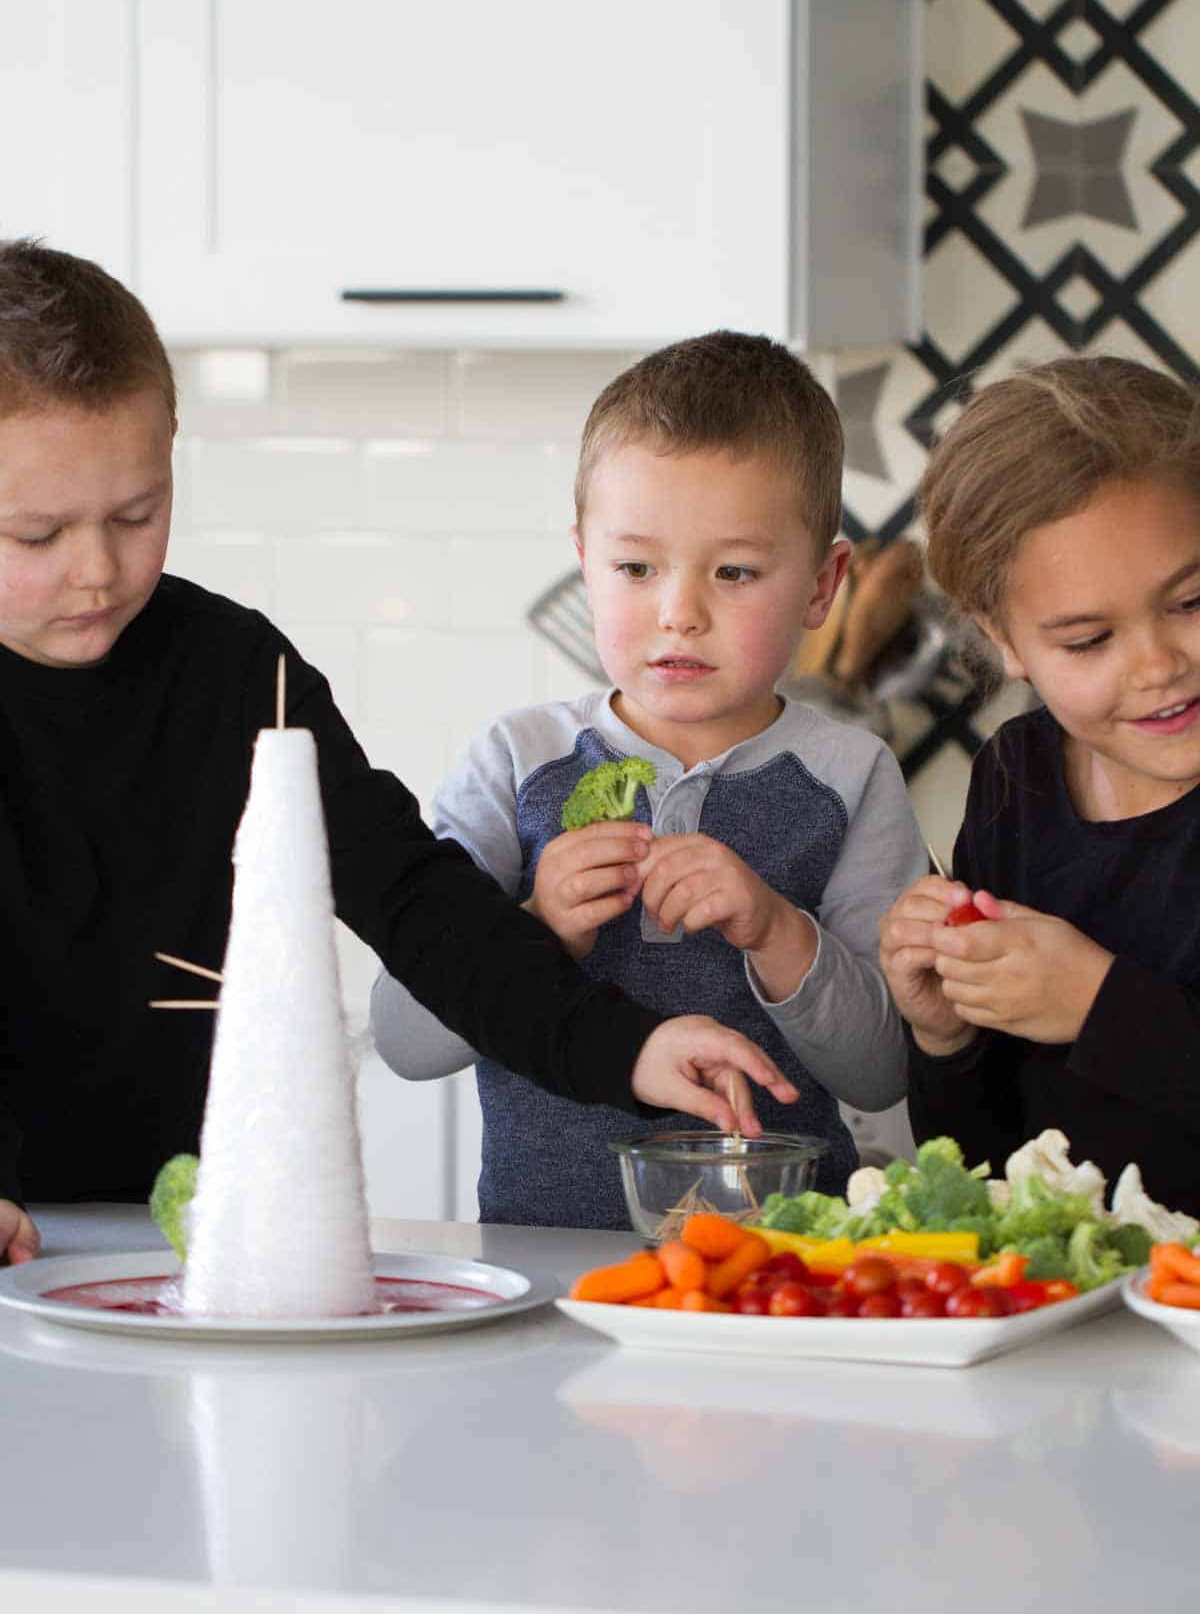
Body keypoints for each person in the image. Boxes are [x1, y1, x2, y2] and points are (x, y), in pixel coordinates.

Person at [0, 243, 800, 1268]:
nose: (100, 570)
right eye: (36, 536)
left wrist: (627, 1046)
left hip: (182, 1240)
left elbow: (420, 902)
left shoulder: (235, 672)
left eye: (137, 513)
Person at [371, 331, 929, 1227]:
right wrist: (535, 931)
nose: (680, 612)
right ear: (585, 561)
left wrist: (777, 929)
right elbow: (402, 1038)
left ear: (823, 586)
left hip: (781, 1277)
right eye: (636, 568)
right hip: (541, 1266)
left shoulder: (853, 777)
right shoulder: (515, 763)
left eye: (736, 572)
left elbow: (884, 1070)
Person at [879, 356, 1200, 1212]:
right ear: (1007, 642)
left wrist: (1100, 1005)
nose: (1159, 664)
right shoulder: (1017, 777)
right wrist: (948, 1037)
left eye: (1191, 600)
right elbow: (989, 1166)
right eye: (1090, 640)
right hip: (1074, 1321)